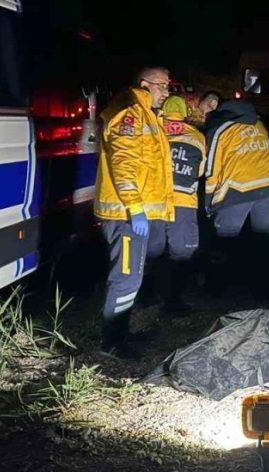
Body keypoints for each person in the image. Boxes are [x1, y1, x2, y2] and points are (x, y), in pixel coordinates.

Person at [93, 67, 174, 358]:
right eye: (162, 86)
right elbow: (123, 162)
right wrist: (135, 208)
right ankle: (112, 342)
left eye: (168, 87)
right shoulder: (130, 114)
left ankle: (121, 333)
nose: (167, 92)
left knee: (132, 277)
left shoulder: (147, 114)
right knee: (125, 278)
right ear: (144, 84)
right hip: (126, 214)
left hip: (136, 212)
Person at [203, 99, 269, 296]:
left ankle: (216, 288)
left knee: (225, 237)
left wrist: (209, 203)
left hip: (239, 187)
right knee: (263, 239)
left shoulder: (220, 129)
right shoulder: (258, 123)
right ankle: (263, 289)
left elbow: (212, 168)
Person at [142, 95, 204, 313]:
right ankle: (173, 301)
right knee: (182, 251)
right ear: (185, 113)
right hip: (184, 201)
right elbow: (201, 170)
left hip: (154, 200)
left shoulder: (152, 132)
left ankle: (145, 296)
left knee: (150, 250)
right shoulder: (197, 136)